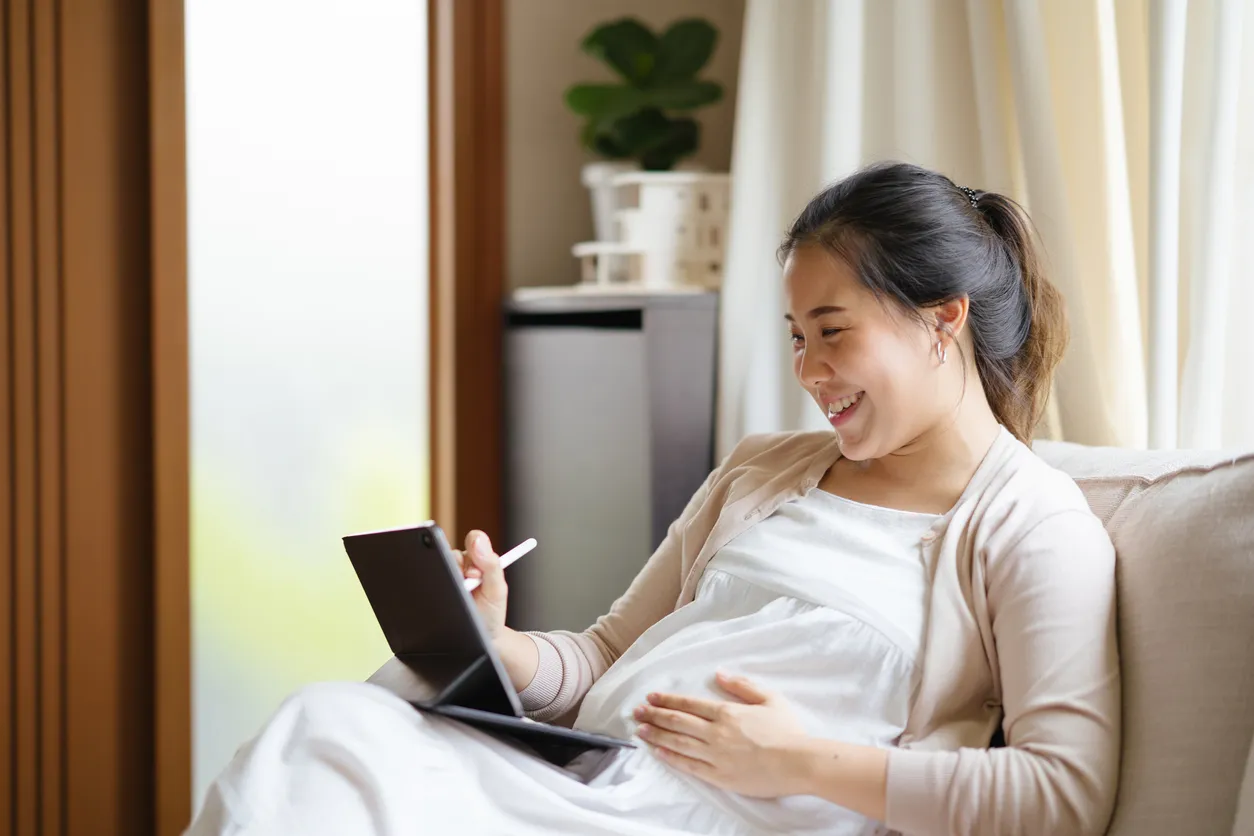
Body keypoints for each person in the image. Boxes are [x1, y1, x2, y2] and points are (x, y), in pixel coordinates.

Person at [188, 162, 1120, 836]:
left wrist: (796, 762)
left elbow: (1064, 792)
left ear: (941, 318)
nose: (810, 370)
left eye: (832, 331)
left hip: (709, 818)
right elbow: (600, 654)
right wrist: (499, 644)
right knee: (329, 724)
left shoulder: (1032, 528)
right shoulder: (763, 470)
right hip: (589, 781)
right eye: (796, 337)